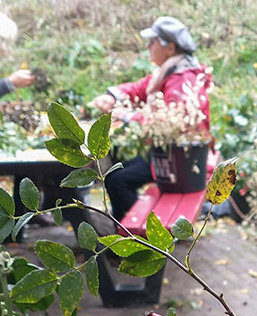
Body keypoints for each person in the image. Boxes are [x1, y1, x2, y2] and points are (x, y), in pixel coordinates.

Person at [91, 16, 213, 218]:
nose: (148, 47)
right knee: (115, 167)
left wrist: (129, 117)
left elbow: (172, 123)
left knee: (117, 179)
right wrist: (112, 95)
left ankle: (143, 237)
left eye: (152, 42)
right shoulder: (171, 71)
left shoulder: (183, 79)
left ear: (170, 48)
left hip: (182, 160)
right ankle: (131, 231)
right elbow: (138, 88)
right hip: (169, 153)